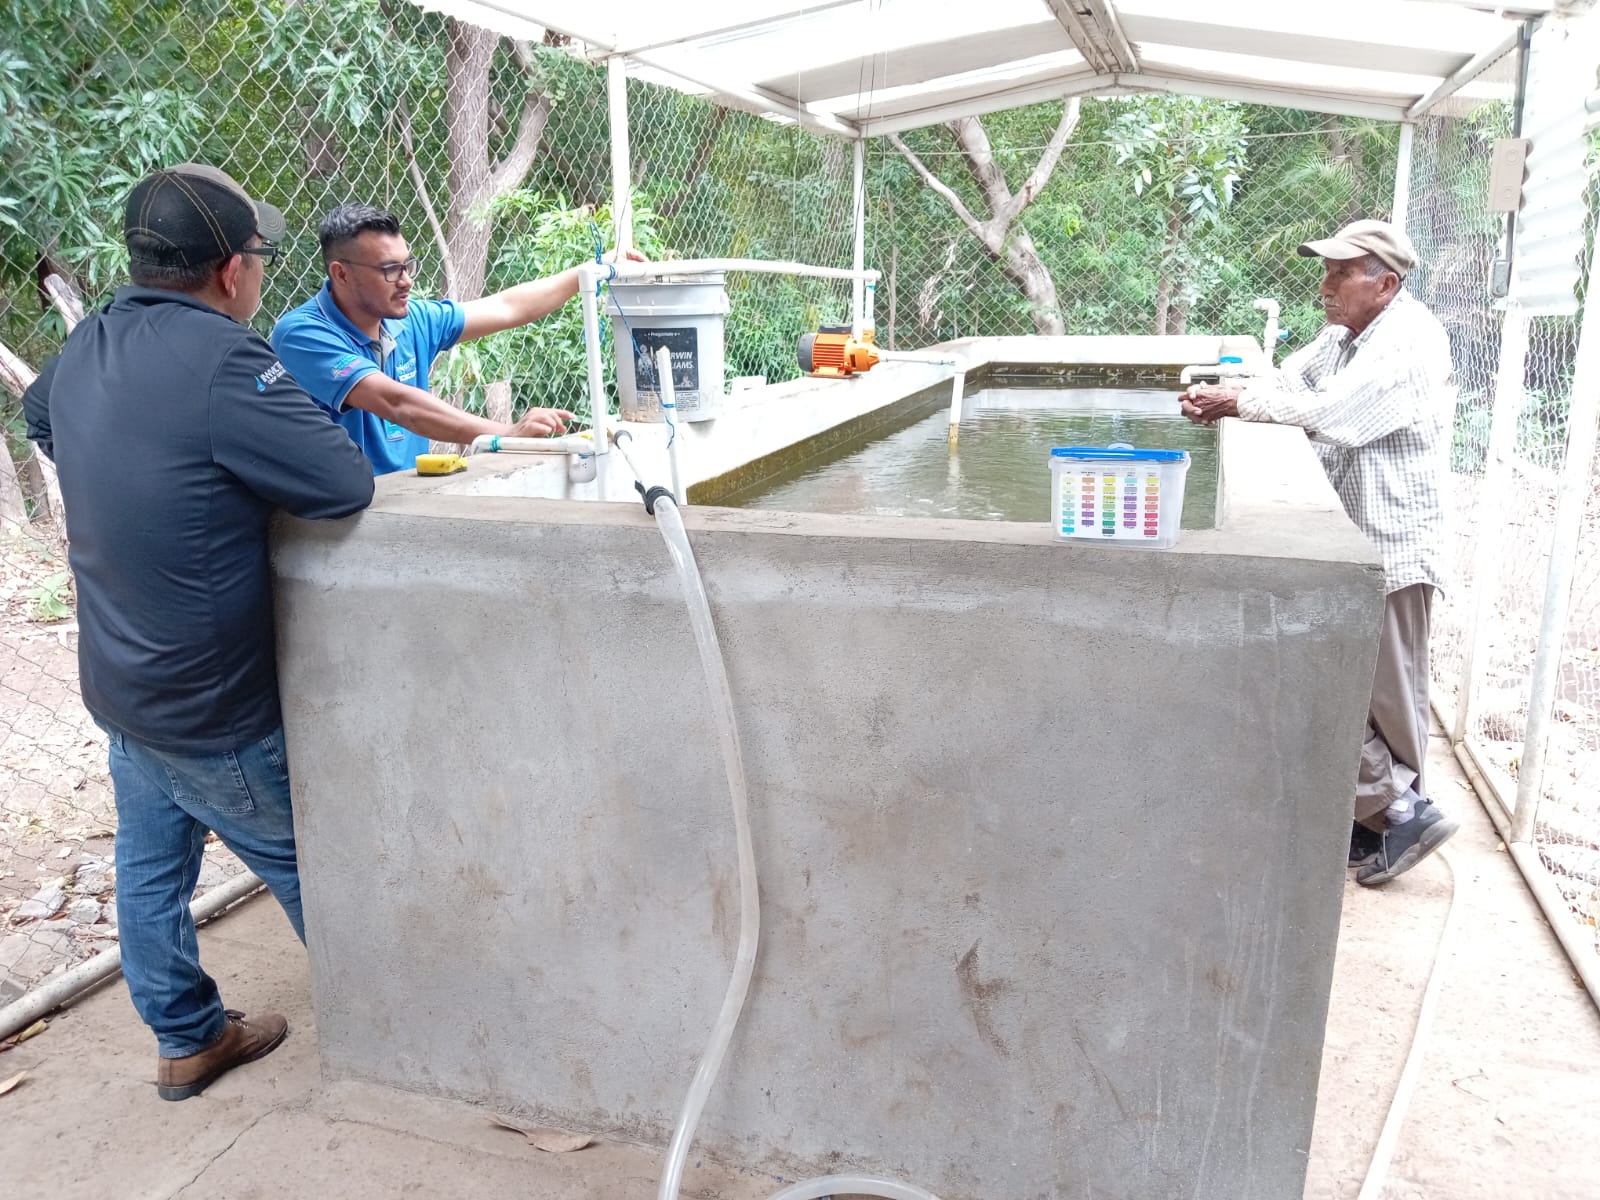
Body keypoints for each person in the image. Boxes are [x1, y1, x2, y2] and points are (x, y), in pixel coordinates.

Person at [23, 164, 375, 1099]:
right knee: (314, 866)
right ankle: (393, 1036)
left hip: (124, 685)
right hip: (213, 704)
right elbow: (342, 484)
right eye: (260, 258)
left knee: (147, 871)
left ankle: (187, 1036)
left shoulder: (89, 342)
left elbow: (38, 415)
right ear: (232, 271)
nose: (260, 275)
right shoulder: (226, 360)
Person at [1180, 218, 1459, 886]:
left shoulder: (1408, 342)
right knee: (1362, 692)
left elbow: (1332, 411)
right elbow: (1285, 383)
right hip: (1355, 537)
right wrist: (1239, 392)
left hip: (1392, 539)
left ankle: (1402, 815)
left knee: (1383, 695)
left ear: (1385, 284)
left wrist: (1238, 401)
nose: (1326, 285)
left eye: (1341, 272)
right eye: (1326, 270)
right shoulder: (1345, 336)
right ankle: (1381, 823)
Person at [271, 203, 643, 474]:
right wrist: (505, 435)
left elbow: (508, 307)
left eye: (408, 265)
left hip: (408, 498)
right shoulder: (302, 333)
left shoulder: (411, 319)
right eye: (389, 269)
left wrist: (589, 273)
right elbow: (398, 403)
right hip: (336, 523)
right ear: (341, 274)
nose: (406, 280)